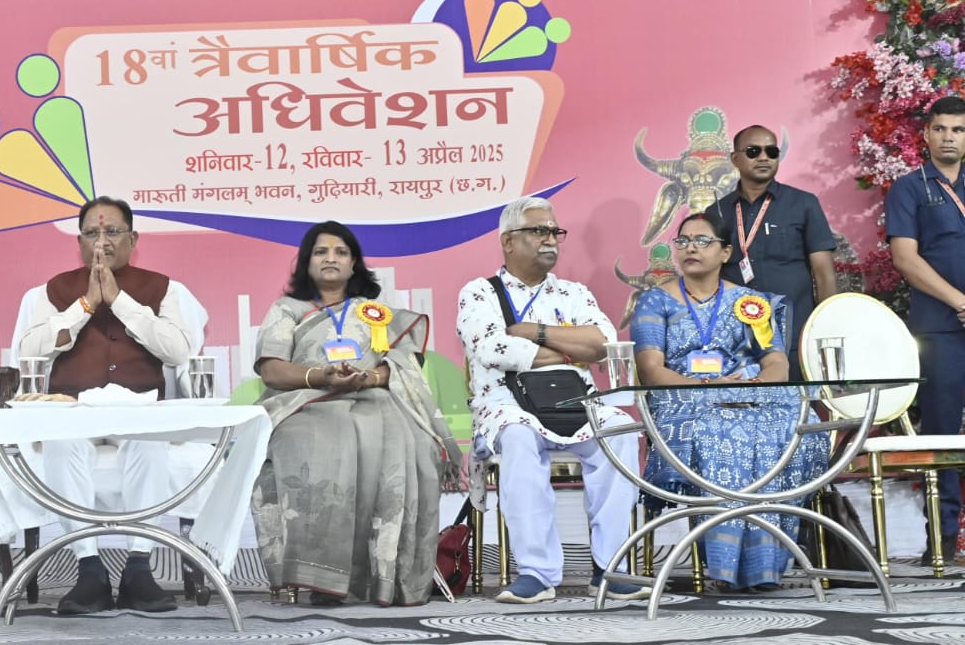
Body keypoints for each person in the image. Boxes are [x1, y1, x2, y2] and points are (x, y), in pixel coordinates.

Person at [251, 221, 462, 605]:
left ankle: (387, 577)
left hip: (374, 399)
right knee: (320, 444)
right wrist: (321, 376)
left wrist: (369, 377)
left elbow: (403, 366)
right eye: (320, 252)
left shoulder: (374, 312)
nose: (330, 258)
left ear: (354, 265)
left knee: (408, 442)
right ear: (307, 262)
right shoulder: (287, 309)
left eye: (340, 252)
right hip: (306, 402)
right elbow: (272, 370)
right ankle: (322, 578)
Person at [455, 198, 646, 604]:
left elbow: (603, 343)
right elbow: (491, 349)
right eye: (538, 231)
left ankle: (610, 567)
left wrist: (535, 332)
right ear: (508, 241)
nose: (550, 239)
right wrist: (569, 349)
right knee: (518, 437)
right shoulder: (479, 292)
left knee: (620, 431)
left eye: (554, 231)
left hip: (575, 400)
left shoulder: (573, 292)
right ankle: (537, 574)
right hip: (507, 403)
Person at [15, 196, 199, 614]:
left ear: (133, 239)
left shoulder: (163, 288)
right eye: (91, 233)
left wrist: (120, 302)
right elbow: (29, 350)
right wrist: (84, 306)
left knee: (149, 442)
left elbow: (178, 351)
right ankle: (89, 571)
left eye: (112, 232)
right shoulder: (53, 291)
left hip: (138, 407)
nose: (102, 241)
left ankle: (138, 568)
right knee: (61, 444)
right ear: (79, 241)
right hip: (74, 409)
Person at [630, 212, 830, 591]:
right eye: (683, 241)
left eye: (702, 241)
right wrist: (707, 385)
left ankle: (765, 566)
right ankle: (726, 565)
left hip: (747, 395)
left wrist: (755, 387)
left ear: (725, 252)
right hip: (684, 399)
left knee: (795, 427)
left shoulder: (750, 303)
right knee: (721, 431)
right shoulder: (655, 302)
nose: (690, 248)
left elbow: (776, 362)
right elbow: (651, 371)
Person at [886, 94, 965, 562]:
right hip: (939, 327)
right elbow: (905, 258)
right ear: (927, 134)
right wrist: (960, 302)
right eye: (941, 129)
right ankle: (942, 539)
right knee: (942, 432)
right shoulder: (908, 188)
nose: (949, 137)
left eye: (958, 129)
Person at [703, 124, 837, 378]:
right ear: (735, 158)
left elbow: (824, 273)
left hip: (795, 334)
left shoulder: (804, 203)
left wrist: (825, 327)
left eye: (771, 151)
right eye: (754, 151)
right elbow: (707, 276)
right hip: (735, 337)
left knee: (799, 399)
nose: (764, 158)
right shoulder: (717, 212)